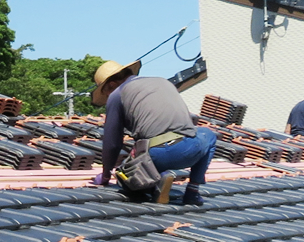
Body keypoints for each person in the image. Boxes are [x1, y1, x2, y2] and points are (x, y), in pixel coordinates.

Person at [90, 60, 217, 205]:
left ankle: (155, 182)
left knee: (128, 178)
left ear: (111, 85)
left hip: (158, 156)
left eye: (105, 93)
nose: (107, 98)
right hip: (190, 149)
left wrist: (106, 175)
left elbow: (112, 143)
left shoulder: (117, 94)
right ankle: (193, 191)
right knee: (209, 135)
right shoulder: (163, 82)